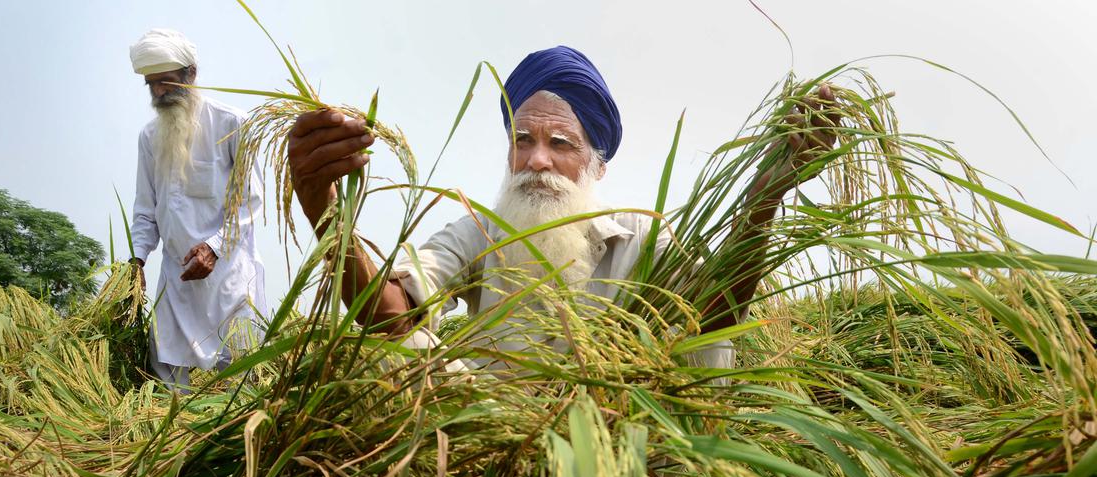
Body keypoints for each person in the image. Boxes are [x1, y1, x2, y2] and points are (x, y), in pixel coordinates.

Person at [284, 45, 838, 372]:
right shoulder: (479, 229)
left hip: (608, 436)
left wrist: (765, 197)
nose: (537, 160)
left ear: (595, 165)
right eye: (522, 140)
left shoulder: (639, 237)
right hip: (491, 441)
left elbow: (714, 312)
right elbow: (392, 312)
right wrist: (328, 215)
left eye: (561, 144)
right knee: (397, 351)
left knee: (709, 347)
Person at [128, 28, 268, 390]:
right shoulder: (148, 138)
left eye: (167, 82)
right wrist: (138, 261)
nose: (160, 92)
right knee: (167, 376)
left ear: (191, 75)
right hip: (177, 279)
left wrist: (214, 248)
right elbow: (146, 207)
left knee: (243, 377)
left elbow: (250, 201)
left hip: (228, 279)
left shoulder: (232, 124)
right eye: (152, 85)